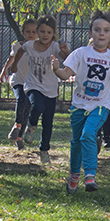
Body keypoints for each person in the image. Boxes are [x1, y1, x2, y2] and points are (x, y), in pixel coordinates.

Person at [52, 10, 110, 193]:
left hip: (101, 105)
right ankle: (73, 175)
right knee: (77, 142)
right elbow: (65, 74)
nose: (101, 33)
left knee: (88, 134)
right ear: (90, 33)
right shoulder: (80, 54)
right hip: (79, 105)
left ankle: (90, 176)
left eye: (106, 30)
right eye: (97, 30)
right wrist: (56, 69)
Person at [11, 15, 70, 164]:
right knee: (37, 106)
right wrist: (15, 65)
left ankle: (44, 150)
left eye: (49, 32)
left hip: (50, 89)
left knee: (48, 122)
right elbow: (19, 51)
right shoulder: (30, 46)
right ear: (38, 32)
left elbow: (68, 60)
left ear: (53, 34)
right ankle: (31, 126)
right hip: (33, 85)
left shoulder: (54, 47)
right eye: (42, 31)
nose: (45, 35)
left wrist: (65, 51)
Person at [0, 18, 37, 150]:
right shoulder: (17, 46)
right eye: (28, 31)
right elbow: (12, 57)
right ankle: (17, 125)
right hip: (18, 80)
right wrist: (4, 70)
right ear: (23, 33)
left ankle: (19, 138)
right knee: (21, 98)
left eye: (34, 31)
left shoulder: (40, 49)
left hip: (31, 84)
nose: (31, 34)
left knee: (27, 109)